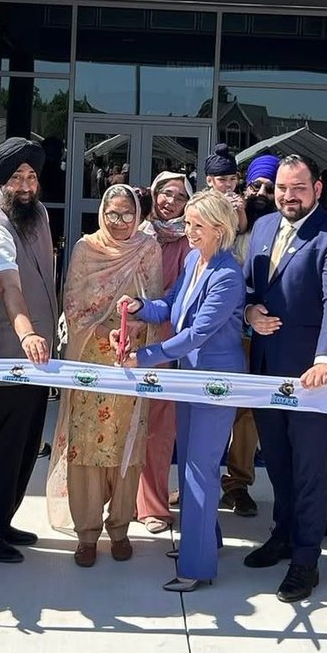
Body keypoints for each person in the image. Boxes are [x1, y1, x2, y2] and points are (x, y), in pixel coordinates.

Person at [116, 190, 246, 592]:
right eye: (188, 224)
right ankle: (205, 541)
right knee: (191, 460)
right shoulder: (193, 261)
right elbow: (171, 307)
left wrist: (146, 355)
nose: (188, 232)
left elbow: (197, 333)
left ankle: (196, 566)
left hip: (214, 382)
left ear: (219, 230)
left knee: (199, 470)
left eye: (196, 226)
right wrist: (140, 306)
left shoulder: (227, 274)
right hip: (189, 378)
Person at [243, 154, 327, 603]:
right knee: (277, 458)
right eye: (281, 189)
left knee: (311, 466)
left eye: (297, 189)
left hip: (312, 374)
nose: (288, 197)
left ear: (318, 188)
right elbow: (252, 289)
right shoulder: (264, 227)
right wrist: (249, 312)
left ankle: (306, 560)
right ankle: (283, 533)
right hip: (266, 368)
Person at [47, 184, 163, 566]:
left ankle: (119, 529)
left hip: (128, 362)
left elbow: (156, 303)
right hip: (90, 362)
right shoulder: (85, 248)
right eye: (112, 214)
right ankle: (87, 534)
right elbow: (74, 306)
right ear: (102, 212)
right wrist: (102, 331)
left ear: (138, 215)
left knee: (125, 447)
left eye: (127, 214)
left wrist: (133, 332)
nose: (119, 222)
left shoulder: (147, 249)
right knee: (86, 447)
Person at [0, 137, 56, 564]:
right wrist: (27, 335)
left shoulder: (36, 212)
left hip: (40, 354)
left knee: (25, 444)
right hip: (9, 353)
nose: (25, 184)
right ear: (0, 180)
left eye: (32, 176)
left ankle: (3, 519)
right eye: (16, 177)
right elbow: (7, 283)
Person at [219, 153, 279, 519]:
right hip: (223, 335)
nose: (260, 193)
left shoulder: (279, 232)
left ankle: (238, 483)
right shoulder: (231, 230)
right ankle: (203, 479)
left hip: (263, 335)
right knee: (212, 407)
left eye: (268, 189)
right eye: (254, 186)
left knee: (248, 414)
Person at [135, 170, 192, 533]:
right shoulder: (136, 233)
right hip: (130, 337)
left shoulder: (190, 241)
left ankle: (153, 504)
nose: (170, 202)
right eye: (165, 193)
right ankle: (122, 499)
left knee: (159, 426)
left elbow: (179, 296)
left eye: (180, 197)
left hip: (168, 342)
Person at [205, 143, 247, 234]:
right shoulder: (201, 202)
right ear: (209, 181)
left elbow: (241, 229)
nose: (229, 184)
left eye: (233, 179)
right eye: (222, 179)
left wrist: (241, 211)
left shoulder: (237, 199)